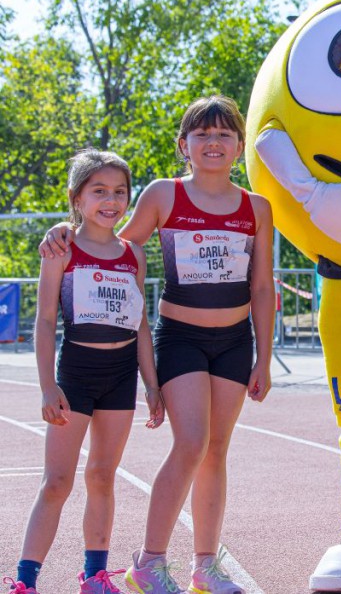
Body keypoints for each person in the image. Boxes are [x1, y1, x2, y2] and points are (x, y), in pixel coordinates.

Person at [39, 96, 275, 594]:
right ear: (183, 145)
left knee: (216, 450)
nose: (213, 142)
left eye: (224, 134)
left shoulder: (257, 208)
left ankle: (205, 565)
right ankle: (149, 562)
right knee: (191, 444)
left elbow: (260, 286)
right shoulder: (163, 196)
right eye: (202, 134)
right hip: (181, 338)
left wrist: (264, 357)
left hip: (234, 342)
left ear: (238, 145)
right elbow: (108, 242)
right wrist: (62, 231)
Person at [8, 150, 163, 594]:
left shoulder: (133, 254)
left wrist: (151, 386)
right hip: (75, 373)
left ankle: (95, 575)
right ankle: (25, 580)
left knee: (102, 476)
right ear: (77, 198)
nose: (110, 201)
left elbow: (140, 325)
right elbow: (44, 321)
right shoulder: (61, 248)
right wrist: (46, 387)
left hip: (120, 376)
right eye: (99, 191)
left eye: (119, 192)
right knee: (57, 482)